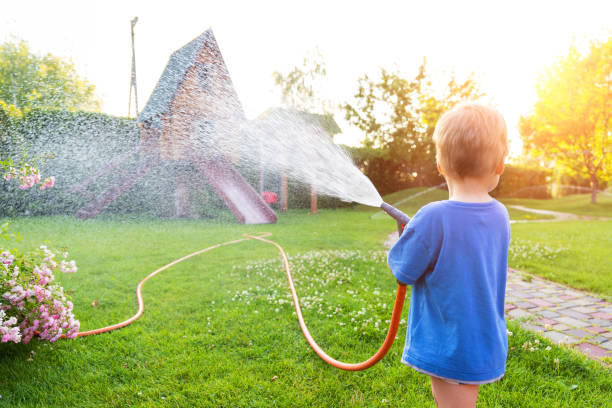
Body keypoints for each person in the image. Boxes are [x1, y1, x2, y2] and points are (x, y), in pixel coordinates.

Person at [387, 103, 510, 408]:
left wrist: (410, 235)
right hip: (483, 339)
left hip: (450, 344)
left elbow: (403, 269)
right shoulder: (500, 214)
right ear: (500, 166)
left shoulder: (433, 216)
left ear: (440, 165)